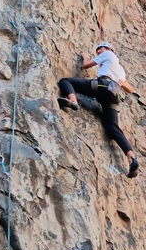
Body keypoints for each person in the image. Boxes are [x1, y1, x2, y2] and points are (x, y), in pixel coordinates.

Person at [57, 42, 140, 178]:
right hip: (114, 95)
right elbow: (130, 89)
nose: (99, 51)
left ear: (110, 50)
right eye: (98, 50)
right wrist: (119, 82)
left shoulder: (108, 55)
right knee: (112, 128)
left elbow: (86, 65)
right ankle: (131, 158)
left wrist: (85, 56)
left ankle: (73, 101)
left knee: (65, 81)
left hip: (102, 86)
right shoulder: (120, 69)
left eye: (102, 49)